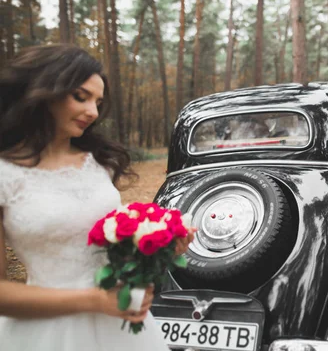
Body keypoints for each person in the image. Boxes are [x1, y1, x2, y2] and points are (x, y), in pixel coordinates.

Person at [0, 44, 194, 350]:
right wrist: (94, 300)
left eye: (98, 102)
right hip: (48, 331)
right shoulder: (4, 174)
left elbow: (110, 244)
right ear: (44, 90)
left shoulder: (98, 162)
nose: (93, 112)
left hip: (120, 323)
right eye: (81, 96)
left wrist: (161, 248)